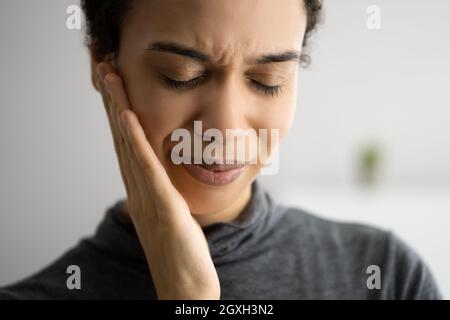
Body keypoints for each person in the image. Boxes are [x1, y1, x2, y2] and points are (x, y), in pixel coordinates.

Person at [0, 0, 441, 299]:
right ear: (104, 63)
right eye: (182, 74)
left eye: (267, 80)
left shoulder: (386, 277)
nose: (225, 127)